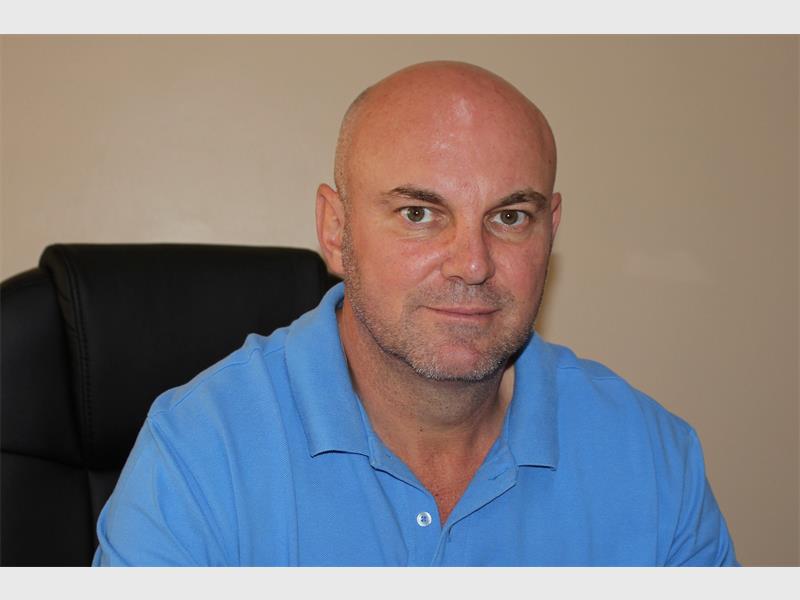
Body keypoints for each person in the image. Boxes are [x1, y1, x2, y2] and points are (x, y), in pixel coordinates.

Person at [93, 61, 738, 566]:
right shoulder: (200, 454)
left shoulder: (653, 460)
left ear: (551, 230)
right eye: (419, 214)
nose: (473, 264)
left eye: (510, 217)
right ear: (336, 230)